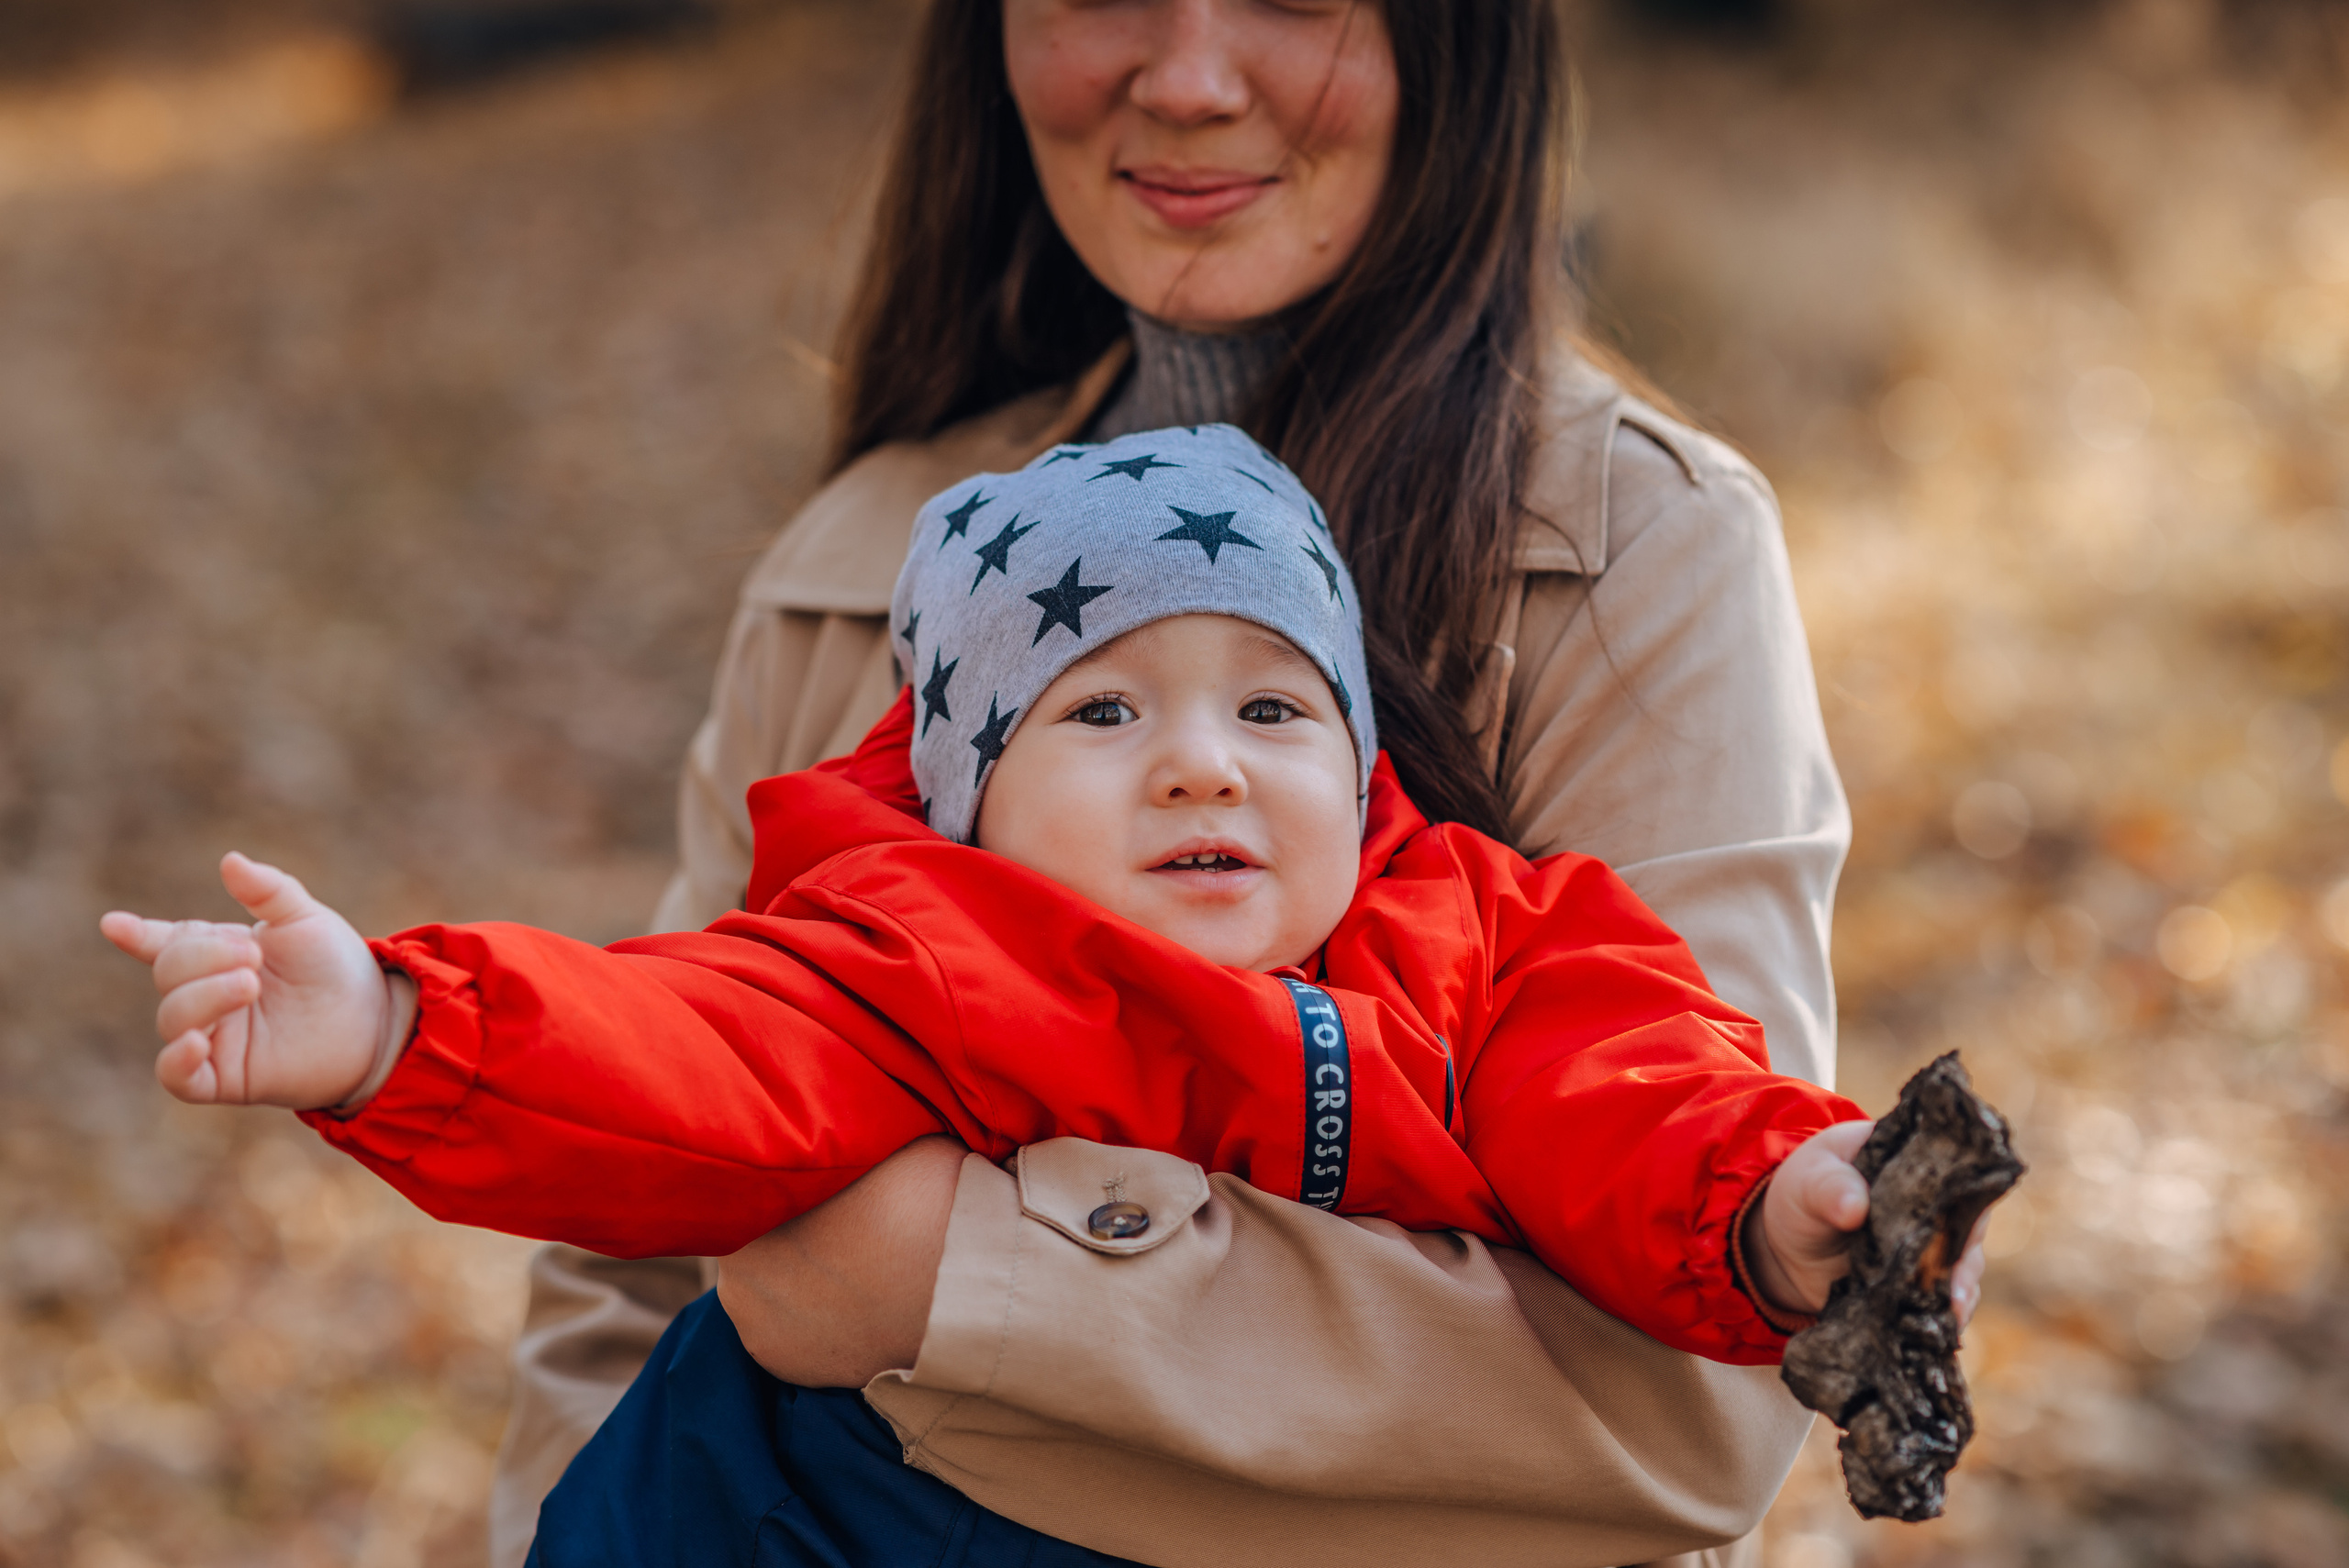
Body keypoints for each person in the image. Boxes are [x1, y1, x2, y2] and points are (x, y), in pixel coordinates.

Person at [492, 0, 1967, 1562]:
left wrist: (958, 1282)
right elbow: (623, 1261)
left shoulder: (1636, 552)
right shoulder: (859, 557)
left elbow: (1696, 1409)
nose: (1190, 81)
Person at [103, 429, 1886, 1564]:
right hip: (823, 1515)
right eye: (1102, 715)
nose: (1200, 768)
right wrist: (402, 1031)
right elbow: (684, 1056)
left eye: (1270, 711)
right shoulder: (927, 949)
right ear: (972, 799)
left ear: (1355, 769)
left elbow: (1633, 1081)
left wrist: (1774, 1203)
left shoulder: (1485, 934)